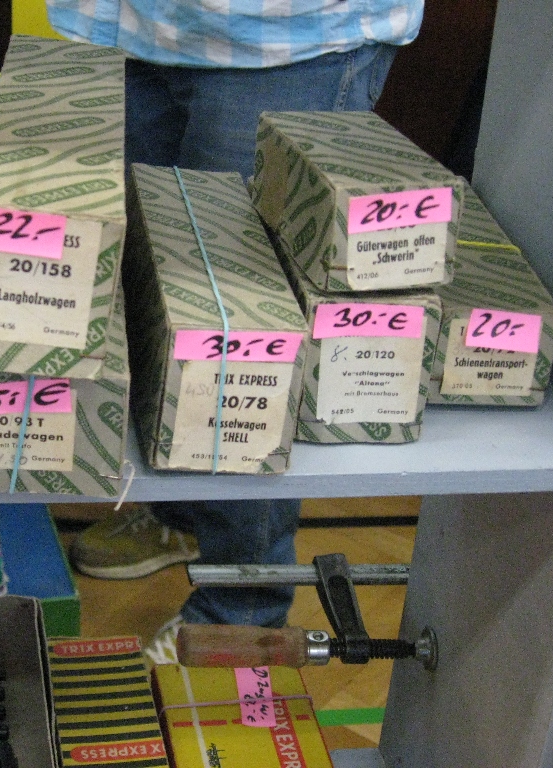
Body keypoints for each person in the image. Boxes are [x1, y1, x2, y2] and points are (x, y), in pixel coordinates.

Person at [44, 0, 425, 663]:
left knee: (243, 338)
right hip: (134, 27)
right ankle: (184, 517)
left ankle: (245, 604)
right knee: (157, 303)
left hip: (280, 40)